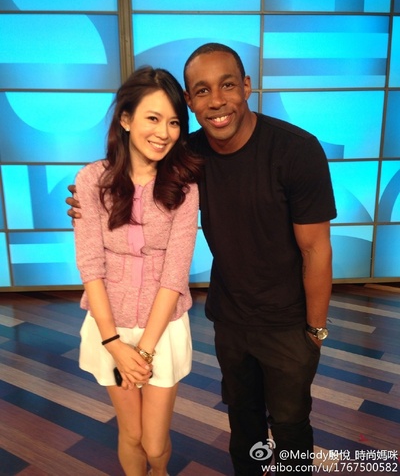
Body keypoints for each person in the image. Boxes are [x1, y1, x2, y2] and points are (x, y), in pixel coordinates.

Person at [68, 44, 336, 476]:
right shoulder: (187, 155)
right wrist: (86, 196)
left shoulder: (294, 150)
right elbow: (125, 181)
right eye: (202, 91)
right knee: (243, 419)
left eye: (227, 85)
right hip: (231, 316)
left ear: (246, 86)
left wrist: (316, 329)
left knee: (289, 425)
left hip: (287, 321)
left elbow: (316, 249)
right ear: (190, 101)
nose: (217, 101)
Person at [73, 66, 201, 476]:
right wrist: (114, 344)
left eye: (174, 122)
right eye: (153, 118)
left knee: (154, 441)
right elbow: (90, 266)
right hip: (108, 326)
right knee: (130, 434)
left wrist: (143, 352)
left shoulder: (184, 187)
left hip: (162, 328)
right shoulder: (91, 179)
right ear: (126, 120)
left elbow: (175, 274)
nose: (164, 132)